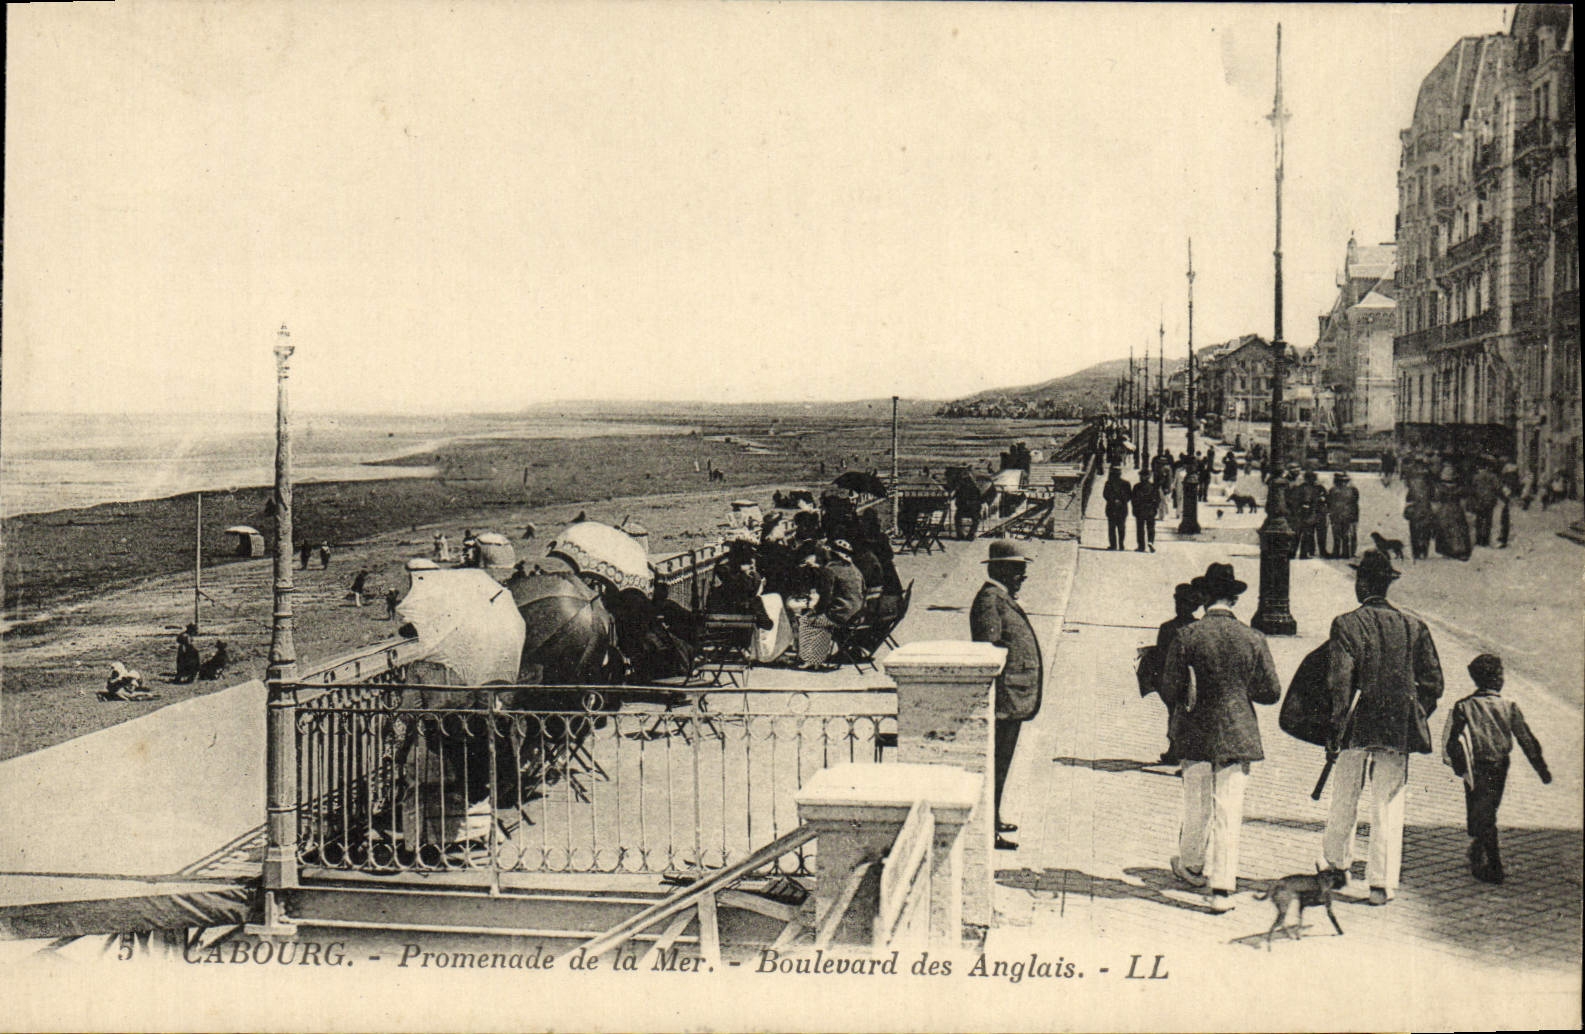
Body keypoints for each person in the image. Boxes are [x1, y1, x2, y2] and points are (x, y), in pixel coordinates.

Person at [1320, 550, 1444, 906]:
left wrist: (1335, 727)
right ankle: (1381, 885)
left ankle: (1337, 868)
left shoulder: (1346, 624)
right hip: (1396, 727)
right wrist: (1414, 712)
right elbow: (1433, 683)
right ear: (1388, 584)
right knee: (1388, 802)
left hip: (1355, 723)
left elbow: (1339, 683)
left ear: (1362, 583)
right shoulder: (1414, 627)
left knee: (1345, 794)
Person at [1161, 562, 1281, 912]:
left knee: (1196, 803)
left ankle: (1192, 865)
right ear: (1234, 599)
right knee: (1229, 808)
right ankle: (1222, 889)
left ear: (1204, 597)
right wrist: (1240, 688)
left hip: (1195, 730)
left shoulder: (1187, 635)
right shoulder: (1253, 637)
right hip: (1237, 733)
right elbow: (1270, 691)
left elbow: (1170, 688)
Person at [1443, 654, 1551, 884]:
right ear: (1497, 679)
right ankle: (1482, 851)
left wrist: (1459, 766)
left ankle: (1493, 866)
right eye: (1500, 674)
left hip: (1475, 767)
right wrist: (1541, 768)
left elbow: (1452, 741)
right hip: (1499, 766)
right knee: (1488, 809)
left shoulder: (1464, 706)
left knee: (1481, 811)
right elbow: (1526, 739)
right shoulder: (1508, 706)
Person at [969, 540, 1043, 851]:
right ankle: (989, 830)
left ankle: (994, 817)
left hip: (1012, 697)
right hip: (1004, 700)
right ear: (1000, 569)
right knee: (996, 765)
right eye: (1018, 571)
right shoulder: (990, 601)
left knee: (1002, 764)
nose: (1022, 577)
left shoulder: (1000, 598)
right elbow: (988, 652)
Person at [1146, 582, 1201, 764]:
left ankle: (1177, 750)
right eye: (1177, 602)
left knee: (1178, 714)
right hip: (1180, 679)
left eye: (1183, 603)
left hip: (1181, 679)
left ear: (1192, 606)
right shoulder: (1194, 627)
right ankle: (1175, 749)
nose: (1179, 607)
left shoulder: (1170, 627)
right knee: (1177, 714)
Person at [795, 539, 864, 670]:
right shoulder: (854, 569)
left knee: (807, 620)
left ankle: (812, 660)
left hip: (840, 616)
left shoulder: (830, 570)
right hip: (857, 614)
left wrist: (815, 610)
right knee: (819, 618)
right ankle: (817, 657)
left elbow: (826, 597)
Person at [1432, 465, 1472, 560]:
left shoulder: (1440, 488)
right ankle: (1459, 549)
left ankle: (1446, 550)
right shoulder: (1459, 488)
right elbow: (1464, 499)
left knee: (1444, 529)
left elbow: (1436, 498)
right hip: (1456, 508)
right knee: (1458, 528)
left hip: (1444, 509)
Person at [1469, 461, 1503, 548]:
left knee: (1479, 520)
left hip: (1479, 501)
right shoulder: (1493, 476)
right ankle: (1486, 539)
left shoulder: (1476, 477)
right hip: (1490, 501)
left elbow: (1472, 489)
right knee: (1488, 521)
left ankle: (1479, 539)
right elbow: (1498, 487)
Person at [1291, 471, 1324, 559]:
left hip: (1300, 514)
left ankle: (1292, 553)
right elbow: (1309, 501)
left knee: (1298, 534)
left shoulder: (1300, 487)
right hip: (1307, 514)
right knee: (1306, 534)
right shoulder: (1311, 489)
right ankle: (1303, 554)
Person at [1404, 466, 1435, 560]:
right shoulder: (1430, 487)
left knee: (1414, 531)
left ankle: (1416, 552)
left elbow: (1408, 499)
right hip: (1426, 511)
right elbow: (1433, 498)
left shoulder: (1412, 488)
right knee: (1426, 531)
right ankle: (1424, 551)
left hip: (1416, 512)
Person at [1327, 472, 1360, 559]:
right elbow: (1355, 503)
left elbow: (1329, 503)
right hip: (1345, 515)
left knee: (1339, 535)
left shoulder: (1332, 490)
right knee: (1344, 535)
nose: (1343, 483)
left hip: (1340, 515)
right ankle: (1346, 553)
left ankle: (1339, 553)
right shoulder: (1352, 489)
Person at [1103, 465, 1131, 551]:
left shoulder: (1125, 483)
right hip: (1116, 508)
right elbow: (1105, 494)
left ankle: (1118, 544)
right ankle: (1116, 545)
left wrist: (1119, 500)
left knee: (1118, 527)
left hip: (1119, 508)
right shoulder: (1109, 483)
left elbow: (1129, 495)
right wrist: (1115, 500)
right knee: (1116, 527)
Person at [1130, 472, 1159, 553]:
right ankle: (1150, 542)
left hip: (1140, 510)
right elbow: (1157, 499)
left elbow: (1133, 499)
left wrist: (1134, 509)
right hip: (1150, 510)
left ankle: (1141, 546)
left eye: (1142, 476)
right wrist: (1155, 508)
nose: (1141, 477)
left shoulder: (1137, 486)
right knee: (1150, 527)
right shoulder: (1153, 486)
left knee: (1140, 528)